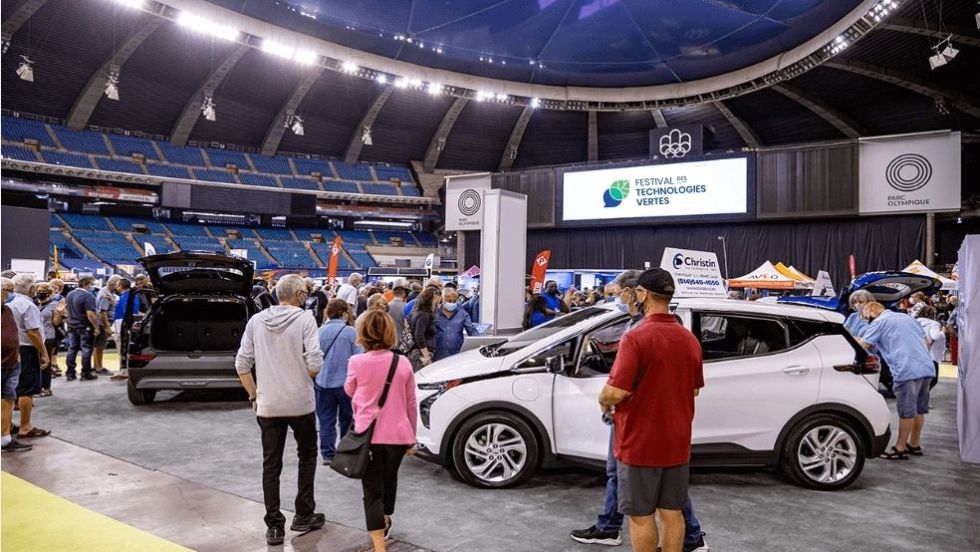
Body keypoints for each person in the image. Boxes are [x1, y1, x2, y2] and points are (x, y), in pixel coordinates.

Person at [598, 269, 704, 552]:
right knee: (673, 513)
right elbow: (694, 389)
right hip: (677, 443)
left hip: (640, 444)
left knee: (641, 516)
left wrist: (603, 400)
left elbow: (615, 392)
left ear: (643, 294)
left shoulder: (636, 338)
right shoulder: (689, 340)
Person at [234, 274, 325, 546]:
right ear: (298, 295)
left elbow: (241, 364)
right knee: (307, 455)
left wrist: (253, 395)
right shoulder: (305, 319)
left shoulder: (256, 321)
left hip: (268, 404)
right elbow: (316, 361)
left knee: (271, 463)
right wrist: (300, 379)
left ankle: (274, 526)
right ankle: (303, 514)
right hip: (301, 404)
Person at [345, 310, 417, 552]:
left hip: (368, 436)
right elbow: (411, 403)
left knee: (371, 490)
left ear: (362, 332)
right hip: (398, 435)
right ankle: (385, 519)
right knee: (390, 480)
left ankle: (379, 547)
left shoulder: (357, 362)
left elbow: (349, 390)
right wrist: (412, 439)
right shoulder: (403, 362)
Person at [857, 302, 935, 460]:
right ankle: (914, 444)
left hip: (906, 370)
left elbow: (863, 347)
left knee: (906, 412)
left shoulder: (879, 322)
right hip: (926, 367)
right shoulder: (907, 318)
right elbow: (926, 341)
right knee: (919, 409)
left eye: (866, 317)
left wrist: (853, 341)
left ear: (871, 310)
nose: (867, 321)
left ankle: (899, 448)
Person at [315, 299, 362, 464]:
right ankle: (345, 451)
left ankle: (327, 454)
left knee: (326, 420)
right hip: (345, 385)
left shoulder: (319, 332)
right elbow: (359, 358)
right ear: (344, 313)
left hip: (322, 383)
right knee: (347, 419)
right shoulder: (351, 333)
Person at [7, 274, 51, 441]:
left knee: (10, 389)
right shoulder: (28, 306)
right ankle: (26, 426)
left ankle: (7, 424)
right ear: (31, 288)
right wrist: (44, 352)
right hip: (27, 350)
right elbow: (33, 332)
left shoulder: (9, 304)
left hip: (12, 349)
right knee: (27, 389)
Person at [2, 279, 31, 452]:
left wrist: (17, 353)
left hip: (11, 363)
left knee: (8, 400)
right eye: (8, 290)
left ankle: (5, 438)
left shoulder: (7, 310)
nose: (11, 294)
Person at [64, 276, 100, 381]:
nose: (92, 286)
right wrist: (96, 327)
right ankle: (85, 373)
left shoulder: (70, 294)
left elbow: (67, 309)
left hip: (72, 325)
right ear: (86, 284)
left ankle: (70, 373)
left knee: (72, 349)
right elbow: (90, 314)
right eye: (91, 284)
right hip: (84, 326)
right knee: (86, 349)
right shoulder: (88, 296)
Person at [433, 288, 478, 361]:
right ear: (442, 299)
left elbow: (472, 330)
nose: (452, 303)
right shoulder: (435, 314)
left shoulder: (462, 314)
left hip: (456, 356)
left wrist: (478, 343)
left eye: (454, 301)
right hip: (437, 355)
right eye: (449, 301)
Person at [35, 282, 62, 397]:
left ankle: (46, 388)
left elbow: (56, 322)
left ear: (49, 293)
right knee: (35, 364)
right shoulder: (34, 304)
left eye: (42, 291)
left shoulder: (54, 304)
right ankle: (37, 388)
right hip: (36, 337)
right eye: (38, 291)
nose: (40, 293)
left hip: (49, 337)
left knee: (46, 362)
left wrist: (59, 313)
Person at [93, 275, 120, 376]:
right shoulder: (105, 294)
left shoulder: (108, 293)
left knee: (99, 346)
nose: (118, 288)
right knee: (99, 346)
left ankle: (97, 366)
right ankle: (98, 367)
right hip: (102, 324)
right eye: (117, 285)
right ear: (112, 284)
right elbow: (102, 312)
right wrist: (107, 327)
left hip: (103, 323)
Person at [407, 287, 438, 369]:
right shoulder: (425, 315)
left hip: (417, 352)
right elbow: (419, 335)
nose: (437, 306)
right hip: (420, 354)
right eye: (436, 303)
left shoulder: (417, 312)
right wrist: (426, 355)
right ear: (430, 301)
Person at [915, 305, 945, 390]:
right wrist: (943, 332)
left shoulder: (915, 322)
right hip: (931, 355)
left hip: (917, 353)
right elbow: (935, 336)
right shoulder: (934, 324)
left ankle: (920, 397)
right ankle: (921, 398)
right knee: (933, 380)